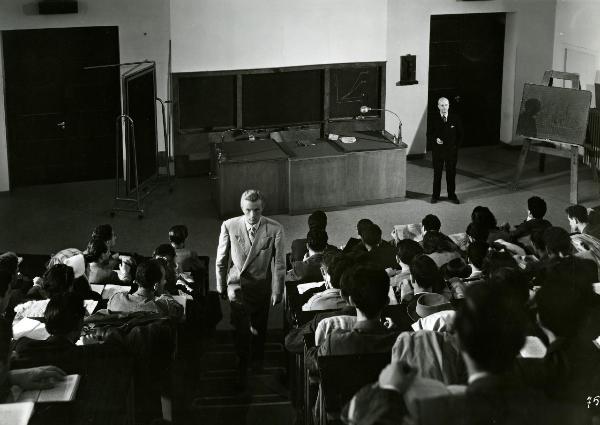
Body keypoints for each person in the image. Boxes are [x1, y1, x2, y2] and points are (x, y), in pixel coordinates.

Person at [215, 189, 285, 388]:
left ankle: (257, 361)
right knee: (240, 326)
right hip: (237, 285)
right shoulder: (229, 225)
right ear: (242, 209)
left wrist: (277, 290)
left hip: (261, 285)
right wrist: (220, 285)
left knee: (259, 327)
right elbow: (221, 260)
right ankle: (242, 360)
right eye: (248, 210)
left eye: (256, 210)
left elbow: (279, 264)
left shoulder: (275, 229)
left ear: (262, 208)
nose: (252, 215)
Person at [107, 259, 183, 320]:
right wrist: (164, 294)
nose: (165, 281)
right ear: (155, 285)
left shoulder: (115, 299)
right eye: (164, 278)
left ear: (136, 280)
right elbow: (179, 311)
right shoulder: (163, 307)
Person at [427, 97, 463, 204]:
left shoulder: (455, 118)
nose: (444, 108)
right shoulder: (433, 119)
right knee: (437, 174)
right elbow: (428, 134)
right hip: (438, 152)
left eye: (446, 105)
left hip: (451, 152)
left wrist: (456, 147)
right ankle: (435, 196)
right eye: (442, 105)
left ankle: (452, 195)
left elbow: (461, 135)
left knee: (451, 174)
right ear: (438, 106)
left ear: (449, 106)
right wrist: (435, 139)